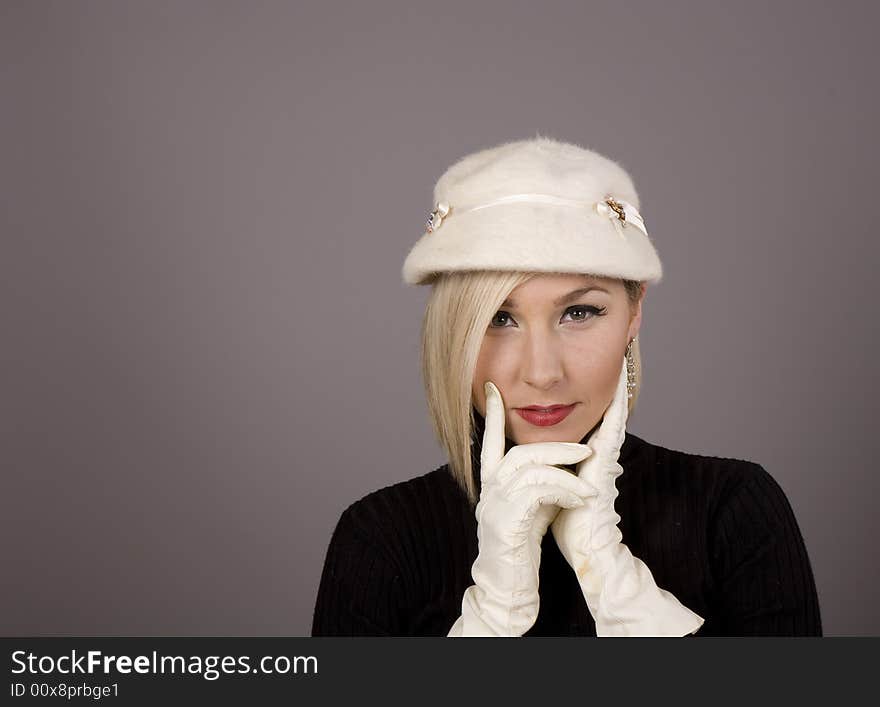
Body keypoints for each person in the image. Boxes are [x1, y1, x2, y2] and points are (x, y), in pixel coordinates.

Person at [310, 136, 822, 636]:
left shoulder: (732, 510)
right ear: (452, 330)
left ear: (634, 311)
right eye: (498, 318)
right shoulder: (380, 537)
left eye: (579, 312)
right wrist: (492, 619)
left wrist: (617, 586)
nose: (542, 372)